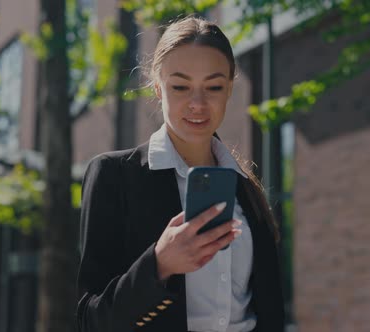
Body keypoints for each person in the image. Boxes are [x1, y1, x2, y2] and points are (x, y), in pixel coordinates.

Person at [76, 16, 285, 332]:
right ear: (158, 88)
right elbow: (89, 321)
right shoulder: (113, 176)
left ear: (229, 89)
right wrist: (159, 265)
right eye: (180, 86)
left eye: (213, 86)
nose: (198, 103)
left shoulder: (246, 189)